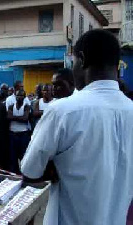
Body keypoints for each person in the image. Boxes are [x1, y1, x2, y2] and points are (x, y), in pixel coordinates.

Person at [21, 29, 133, 225]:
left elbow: (30, 170)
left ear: (81, 59)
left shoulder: (62, 111)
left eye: (73, 63)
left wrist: (55, 165)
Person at [7, 89, 30, 174]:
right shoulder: (11, 106)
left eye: (21, 95)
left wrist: (14, 117)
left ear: (24, 97)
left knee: (23, 156)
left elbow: (25, 119)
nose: (19, 97)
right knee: (13, 156)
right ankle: (14, 174)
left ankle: (24, 174)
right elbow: (8, 117)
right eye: (17, 95)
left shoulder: (26, 106)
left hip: (23, 134)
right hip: (13, 134)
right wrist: (20, 117)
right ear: (15, 96)